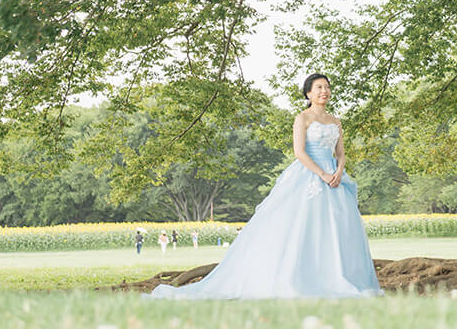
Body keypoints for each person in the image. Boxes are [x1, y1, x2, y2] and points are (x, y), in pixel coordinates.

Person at [149, 73, 382, 300]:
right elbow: (299, 152)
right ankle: (301, 279)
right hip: (310, 175)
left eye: (327, 87)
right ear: (309, 93)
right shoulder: (303, 118)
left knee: (336, 229)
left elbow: (340, 153)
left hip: (335, 178)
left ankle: (336, 277)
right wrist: (321, 173)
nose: (324, 91)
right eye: (319, 87)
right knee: (302, 228)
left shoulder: (335, 121)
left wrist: (339, 171)